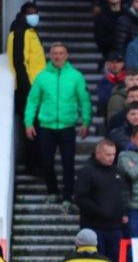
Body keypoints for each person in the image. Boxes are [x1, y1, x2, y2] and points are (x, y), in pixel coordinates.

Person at [24, 42, 92, 213]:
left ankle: (68, 196)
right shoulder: (42, 76)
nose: (58, 56)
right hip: (46, 126)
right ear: (50, 55)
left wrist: (85, 121)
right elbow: (33, 101)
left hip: (67, 126)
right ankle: (52, 191)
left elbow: (84, 100)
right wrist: (28, 122)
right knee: (46, 161)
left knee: (68, 162)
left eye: (61, 53)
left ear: (66, 55)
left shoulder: (76, 76)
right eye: (55, 53)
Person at [74, 139, 127, 262]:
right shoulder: (86, 172)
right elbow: (80, 198)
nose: (111, 158)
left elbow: (122, 195)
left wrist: (123, 212)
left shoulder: (117, 172)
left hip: (115, 227)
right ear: (98, 154)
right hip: (94, 226)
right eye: (108, 155)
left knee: (115, 261)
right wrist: (101, 211)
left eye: (113, 155)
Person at [7, 1, 46, 175]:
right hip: (28, 90)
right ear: (23, 14)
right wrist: (27, 87)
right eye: (31, 13)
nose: (34, 16)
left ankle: (37, 163)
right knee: (32, 129)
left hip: (36, 89)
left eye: (36, 12)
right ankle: (33, 164)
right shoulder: (20, 32)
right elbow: (19, 61)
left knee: (36, 127)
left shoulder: (30, 32)